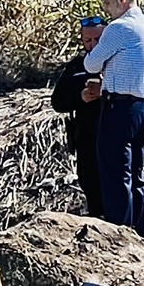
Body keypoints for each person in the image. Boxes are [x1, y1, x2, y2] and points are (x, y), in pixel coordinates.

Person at [84, 0, 144, 237]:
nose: (106, 9)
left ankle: (120, 233)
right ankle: (142, 230)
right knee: (137, 171)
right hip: (141, 106)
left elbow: (91, 64)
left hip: (118, 106)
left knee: (115, 171)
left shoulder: (119, 28)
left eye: (108, 3)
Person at [49, 14, 107, 216]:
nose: (93, 45)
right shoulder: (76, 66)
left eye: (98, 40)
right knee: (90, 183)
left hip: (112, 136)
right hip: (85, 138)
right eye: (88, 40)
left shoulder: (119, 63)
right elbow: (57, 102)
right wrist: (80, 97)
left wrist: (105, 90)